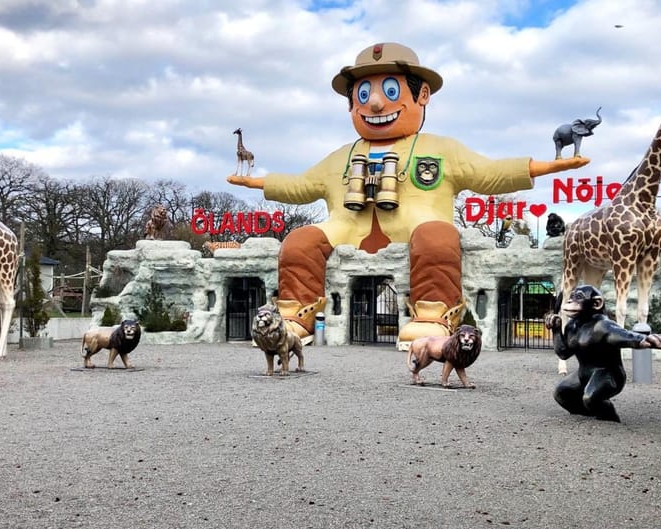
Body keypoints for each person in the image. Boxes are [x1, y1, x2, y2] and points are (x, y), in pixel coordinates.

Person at [228, 42, 589, 345]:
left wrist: (542, 166)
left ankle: (434, 315)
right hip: (346, 228)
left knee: (436, 237)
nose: (375, 105)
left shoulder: (439, 148)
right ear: (352, 103)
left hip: (417, 225)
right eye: (364, 94)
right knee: (300, 240)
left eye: (389, 91)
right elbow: (301, 185)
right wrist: (258, 182)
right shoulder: (342, 155)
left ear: (423, 95)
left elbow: (488, 174)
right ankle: (296, 317)